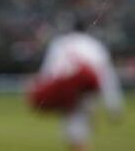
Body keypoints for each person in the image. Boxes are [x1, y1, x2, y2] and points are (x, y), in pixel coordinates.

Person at [29, 21, 124, 151]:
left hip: (69, 89)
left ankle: (85, 127)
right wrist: (113, 106)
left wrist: (40, 90)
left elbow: (49, 72)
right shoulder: (94, 44)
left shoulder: (59, 43)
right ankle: (89, 119)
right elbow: (107, 77)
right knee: (78, 127)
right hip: (88, 88)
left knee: (74, 135)